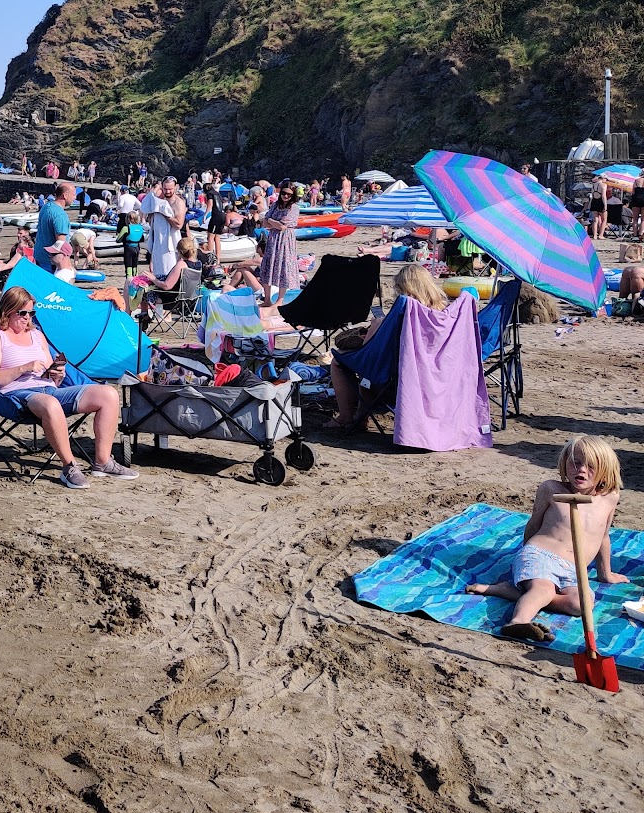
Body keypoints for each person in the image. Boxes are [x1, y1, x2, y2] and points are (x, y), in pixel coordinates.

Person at [465, 436, 628, 642]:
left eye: (591, 466)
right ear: (564, 464)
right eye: (575, 462)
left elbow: (603, 536)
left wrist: (605, 574)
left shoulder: (610, 497)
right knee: (542, 589)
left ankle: (507, 590)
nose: (582, 469)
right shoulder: (551, 489)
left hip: (573, 569)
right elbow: (534, 523)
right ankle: (518, 623)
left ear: (605, 469)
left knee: (581, 604)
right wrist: (523, 559)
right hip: (540, 555)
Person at [0, 286, 133, 487]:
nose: (28, 318)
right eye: (23, 313)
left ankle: (103, 462)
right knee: (51, 404)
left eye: (31, 313)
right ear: (8, 310)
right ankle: (69, 466)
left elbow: (51, 378)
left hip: (50, 389)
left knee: (108, 394)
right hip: (17, 395)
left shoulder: (37, 335)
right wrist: (23, 368)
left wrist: (56, 374)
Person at [327, 265, 449, 430]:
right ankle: (359, 418)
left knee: (340, 362)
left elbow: (368, 350)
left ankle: (346, 418)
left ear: (404, 289)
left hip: (399, 375)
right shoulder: (446, 314)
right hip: (436, 375)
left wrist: (377, 326)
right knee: (369, 376)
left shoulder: (404, 311)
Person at [257, 181, 301, 302]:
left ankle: (279, 300)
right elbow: (265, 223)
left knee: (284, 266)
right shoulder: (275, 205)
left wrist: (270, 220)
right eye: (284, 193)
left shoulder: (294, 208)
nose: (286, 196)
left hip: (286, 240)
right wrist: (273, 222)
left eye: (289, 195)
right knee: (268, 265)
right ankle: (267, 300)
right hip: (273, 238)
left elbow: (282, 227)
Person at [139, 237, 200, 323]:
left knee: (142, 289)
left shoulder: (182, 265)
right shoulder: (198, 264)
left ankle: (145, 316)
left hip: (172, 299)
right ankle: (150, 316)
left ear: (179, 251)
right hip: (189, 298)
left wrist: (153, 279)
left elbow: (167, 286)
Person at [141, 177, 187, 281]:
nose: (168, 191)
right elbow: (147, 209)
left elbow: (179, 224)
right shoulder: (159, 201)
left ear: (176, 187)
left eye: (170, 189)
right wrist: (156, 189)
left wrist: (164, 213)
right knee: (157, 273)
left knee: (169, 272)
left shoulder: (178, 203)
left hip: (171, 245)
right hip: (158, 243)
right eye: (165, 188)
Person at [37, 181, 74, 269]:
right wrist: (67, 267)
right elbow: (60, 244)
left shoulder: (46, 207)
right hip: (52, 263)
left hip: (39, 257)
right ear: (65, 195)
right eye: (73, 194)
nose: (75, 197)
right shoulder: (60, 215)